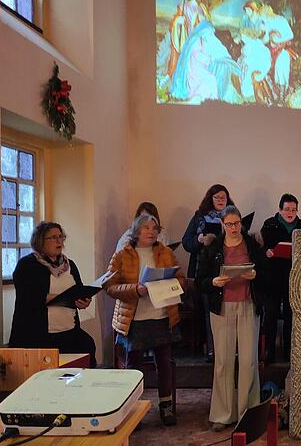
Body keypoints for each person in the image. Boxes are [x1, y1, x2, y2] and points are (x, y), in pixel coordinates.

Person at [106, 215, 185, 426]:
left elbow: (181, 279)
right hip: (134, 319)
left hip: (161, 315)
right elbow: (110, 286)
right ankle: (133, 409)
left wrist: (171, 284)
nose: (151, 231)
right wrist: (136, 289)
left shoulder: (165, 252)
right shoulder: (122, 255)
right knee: (134, 365)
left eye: (154, 228)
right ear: (136, 231)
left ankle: (166, 406)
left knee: (165, 363)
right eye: (146, 228)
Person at [196, 206, 263, 432]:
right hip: (222, 307)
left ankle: (247, 413)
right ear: (223, 226)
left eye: (237, 223)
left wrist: (256, 276)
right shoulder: (213, 247)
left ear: (241, 224)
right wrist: (213, 282)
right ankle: (222, 414)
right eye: (229, 224)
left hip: (247, 304)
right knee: (223, 362)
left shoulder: (252, 245)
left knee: (248, 361)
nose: (234, 228)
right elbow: (200, 280)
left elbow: (265, 272)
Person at [9, 222, 96, 366]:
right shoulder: (27, 265)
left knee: (87, 346)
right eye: (53, 237)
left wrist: (84, 302)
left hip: (69, 329)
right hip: (38, 333)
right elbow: (28, 297)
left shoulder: (69, 264)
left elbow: (78, 290)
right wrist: (62, 297)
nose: (59, 241)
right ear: (40, 241)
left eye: (61, 237)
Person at [183, 184, 235, 361]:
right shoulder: (199, 217)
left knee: (227, 310)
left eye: (223, 198)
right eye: (217, 197)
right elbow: (186, 242)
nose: (221, 201)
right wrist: (198, 240)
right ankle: (211, 349)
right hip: (204, 270)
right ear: (210, 199)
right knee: (208, 311)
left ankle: (228, 349)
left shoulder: (232, 216)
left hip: (227, 269)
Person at [260, 194, 301, 363]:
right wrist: (267, 252)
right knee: (271, 314)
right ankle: (269, 351)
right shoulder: (269, 225)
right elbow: (261, 250)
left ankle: (290, 352)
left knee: (292, 315)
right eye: (287, 209)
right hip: (272, 277)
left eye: (294, 209)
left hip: (293, 278)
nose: (290, 213)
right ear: (280, 210)